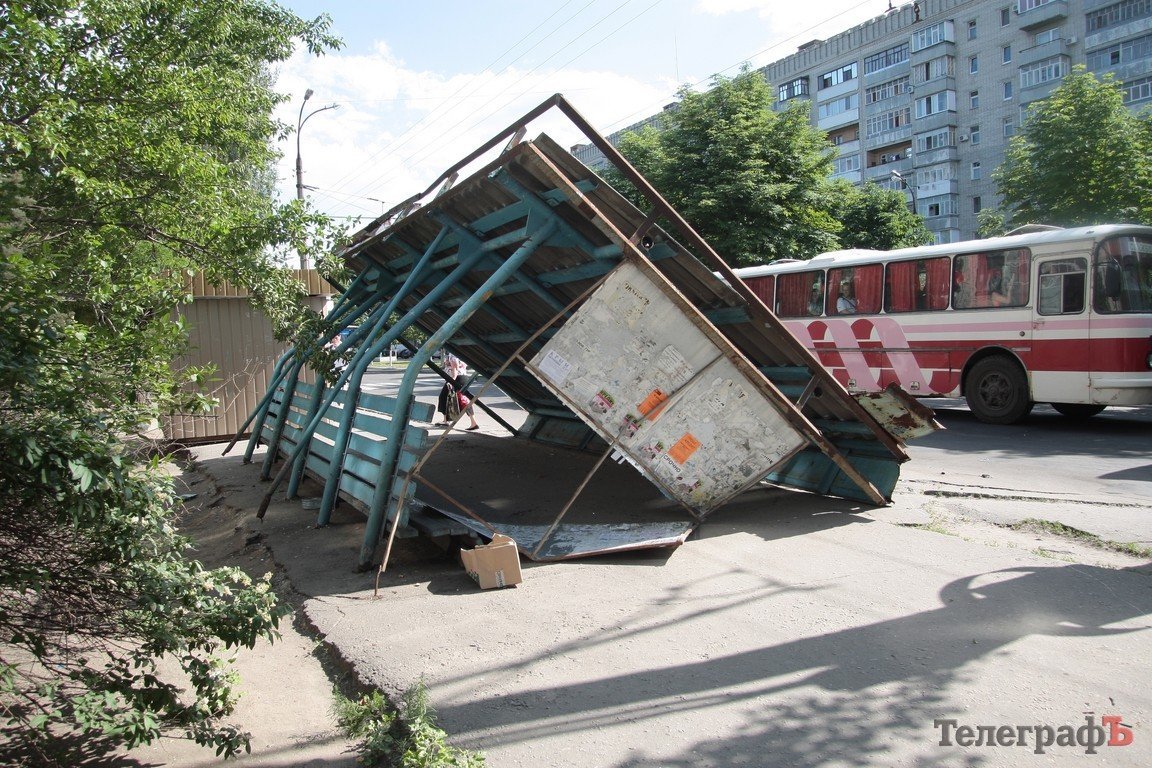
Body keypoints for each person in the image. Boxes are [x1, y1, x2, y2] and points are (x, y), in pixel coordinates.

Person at [437, 352, 480, 430]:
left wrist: (452, 380)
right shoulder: (460, 354)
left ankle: (446, 420)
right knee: (463, 400)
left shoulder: (452, 354)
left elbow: (455, 368)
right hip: (463, 377)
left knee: (443, 397)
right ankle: (473, 422)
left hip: (456, 379)